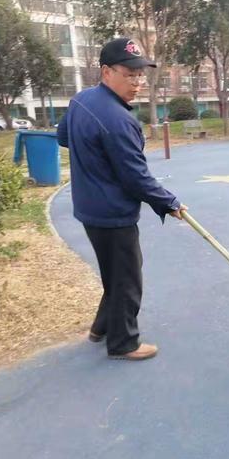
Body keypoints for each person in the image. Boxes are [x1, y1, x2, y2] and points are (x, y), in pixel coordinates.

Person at [57, 37, 187, 361]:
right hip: (112, 215)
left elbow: (63, 137)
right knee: (128, 277)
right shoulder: (118, 120)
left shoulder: (80, 101)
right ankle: (123, 343)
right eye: (129, 74)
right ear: (106, 72)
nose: (137, 82)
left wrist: (94, 161)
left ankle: (101, 328)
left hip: (88, 210)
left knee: (114, 273)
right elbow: (136, 177)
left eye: (140, 74)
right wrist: (170, 203)